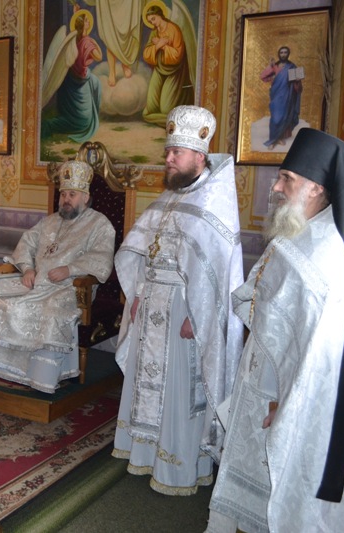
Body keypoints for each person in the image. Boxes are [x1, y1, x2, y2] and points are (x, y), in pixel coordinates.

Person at [206, 128, 344, 532]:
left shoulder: (328, 257)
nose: (275, 187)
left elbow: (319, 358)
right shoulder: (296, 230)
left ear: (316, 187)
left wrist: (286, 404)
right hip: (262, 379)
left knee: (281, 491)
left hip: (287, 397)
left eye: (286, 179)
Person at [112, 105, 244, 495]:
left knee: (179, 389)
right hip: (152, 305)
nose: (168, 158)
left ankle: (179, 465)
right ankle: (145, 453)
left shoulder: (213, 203)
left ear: (199, 156)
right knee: (147, 381)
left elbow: (217, 276)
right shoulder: (169, 197)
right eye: (168, 151)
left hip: (186, 313)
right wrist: (138, 293)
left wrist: (198, 318)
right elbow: (144, 251)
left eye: (177, 153)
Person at [0, 160, 115, 394]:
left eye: (72, 194)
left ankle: (43, 377)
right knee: (8, 303)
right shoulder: (50, 221)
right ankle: (11, 371)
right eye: (63, 194)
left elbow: (102, 258)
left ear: (85, 197)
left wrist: (70, 269)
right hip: (38, 283)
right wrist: (27, 269)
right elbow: (27, 243)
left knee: (52, 309)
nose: (66, 199)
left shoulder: (100, 224)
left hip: (72, 287)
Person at [41, 9, 103, 143]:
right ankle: (51, 125)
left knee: (96, 82)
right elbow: (99, 56)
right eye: (86, 20)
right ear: (82, 24)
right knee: (84, 122)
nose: (89, 22)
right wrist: (94, 41)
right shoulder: (87, 42)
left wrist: (76, 13)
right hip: (78, 82)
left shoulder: (74, 40)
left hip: (71, 80)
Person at [141, 2, 194, 126]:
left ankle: (173, 118)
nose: (152, 23)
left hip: (174, 71)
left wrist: (163, 47)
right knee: (151, 108)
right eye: (150, 21)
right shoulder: (154, 32)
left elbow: (177, 55)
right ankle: (167, 119)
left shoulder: (174, 30)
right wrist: (157, 46)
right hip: (159, 69)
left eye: (153, 19)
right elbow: (146, 54)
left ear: (160, 15)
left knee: (165, 109)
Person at [259, 46, 302, 150]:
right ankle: (273, 140)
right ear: (279, 54)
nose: (283, 54)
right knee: (275, 118)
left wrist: (297, 81)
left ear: (288, 54)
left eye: (285, 52)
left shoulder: (292, 66)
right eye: (281, 52)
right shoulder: (275, 66)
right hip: (276, 96)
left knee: (285, 117)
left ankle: (279, 138)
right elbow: (263, 77)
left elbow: (298, 86)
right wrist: (270, 68)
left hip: (287, 96)